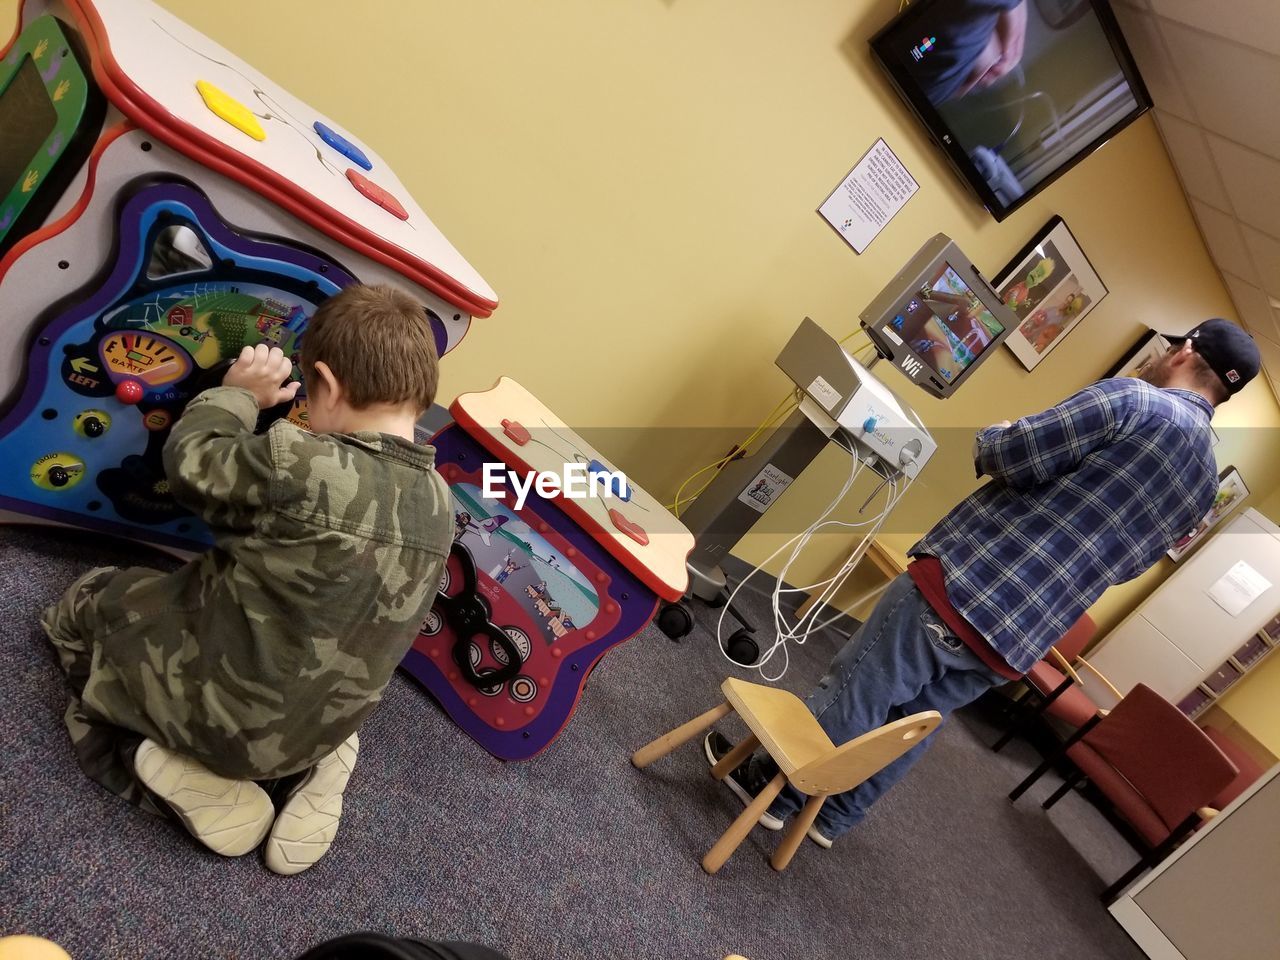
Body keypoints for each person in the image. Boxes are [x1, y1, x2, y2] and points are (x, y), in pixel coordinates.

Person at [707, 319, 1260, 848]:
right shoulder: (1202, 484)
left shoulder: (1133, 400)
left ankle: (767, 792)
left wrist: (997, 431)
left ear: (1185, 350)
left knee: (861, 687)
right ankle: (834, 816)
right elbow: (1130, 564)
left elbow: (1006, 453)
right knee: (912, 722)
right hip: (1020, 638)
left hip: (966, 586)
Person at [41, 284, 452, 875]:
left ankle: (170, 763)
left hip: (217, 721)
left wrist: (234, 397)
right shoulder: (443, 506)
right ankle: (318, 763)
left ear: (327, 387)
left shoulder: (299, 463)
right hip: (321, 722)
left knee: (88, 603)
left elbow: (192, 463)